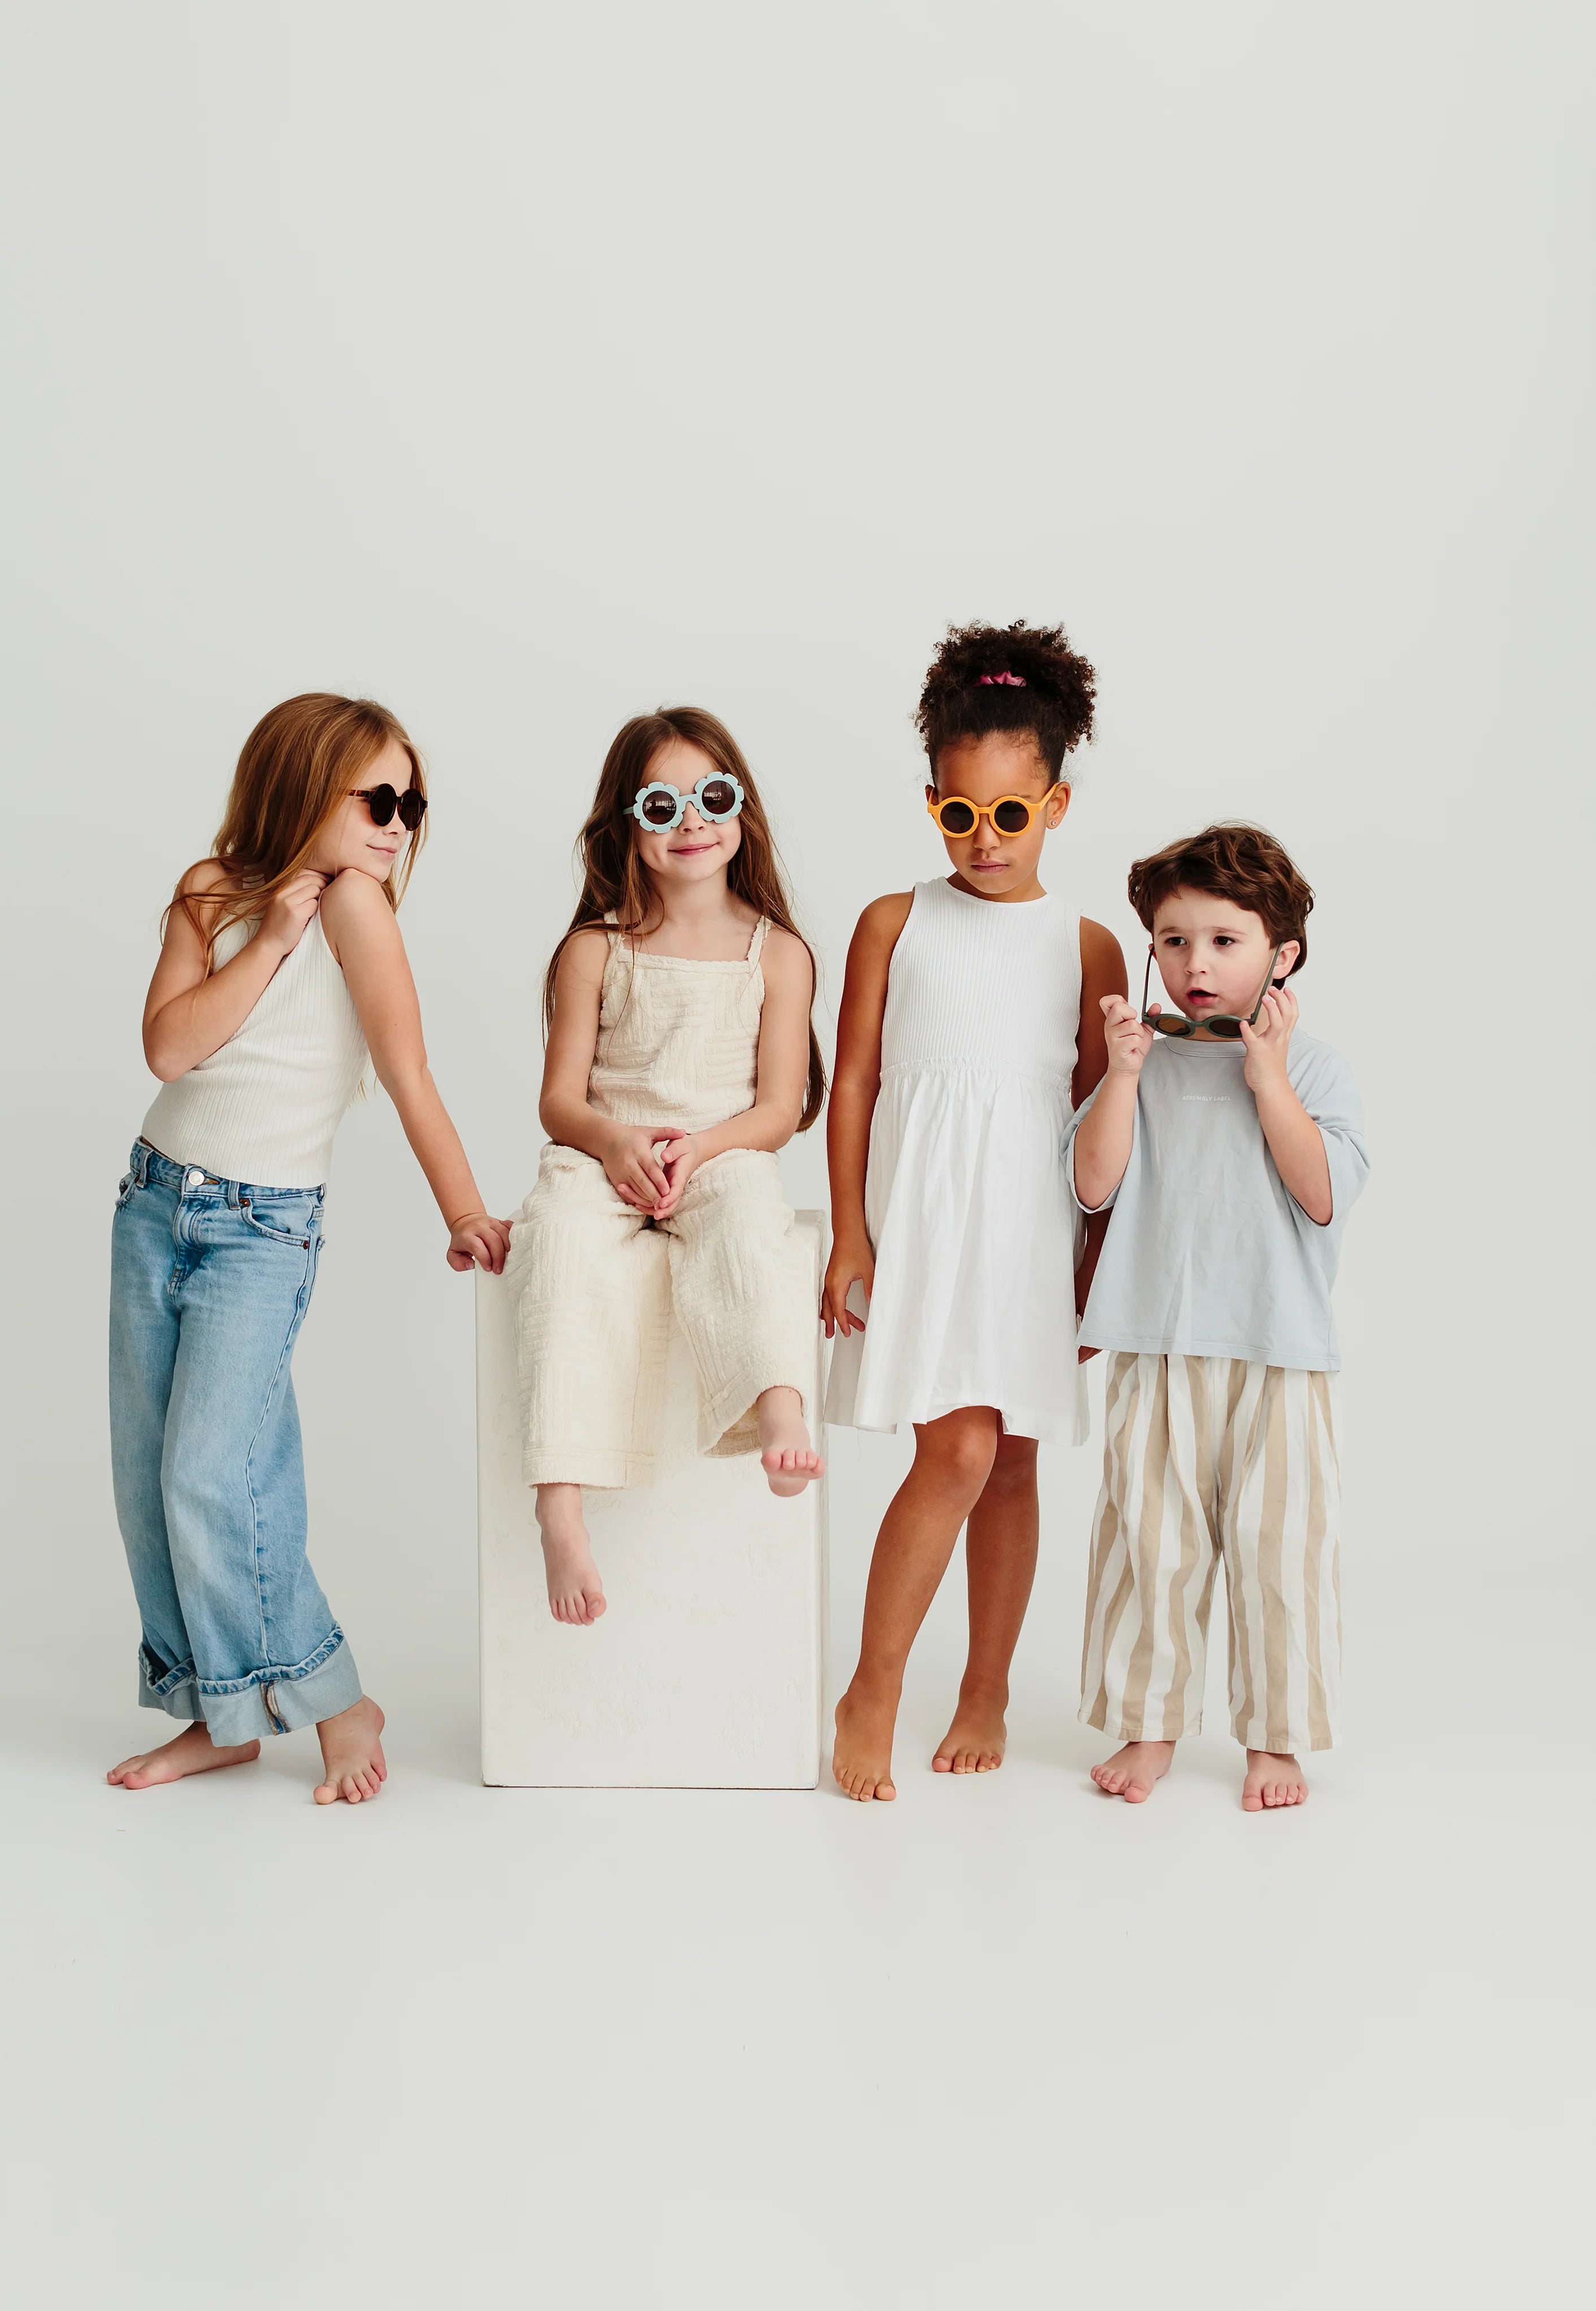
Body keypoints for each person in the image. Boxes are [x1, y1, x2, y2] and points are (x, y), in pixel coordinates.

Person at [106, 692, 508, 1802]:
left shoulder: (363, 913)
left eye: (412, 805)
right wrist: (272, 931)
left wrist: (465, 1211)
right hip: (154, 1205)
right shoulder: (213, 892)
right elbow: (171, 1049)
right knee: (157, 1479)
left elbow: (409, 1071)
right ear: (301, 788)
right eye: (379, 798)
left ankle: (334, 1695)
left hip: (262, 1232)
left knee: (212, 1472)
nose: (398, 823)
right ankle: (219, 1713)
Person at [823, 622, 1126, 1802]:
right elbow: (855, 1083)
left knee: (1011, 1465)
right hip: (930, 1225)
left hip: (1032, 1232)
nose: (986, 841)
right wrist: (850, 1230)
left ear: (1055, 803)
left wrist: (1102, 1268)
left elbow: (1106, 1124)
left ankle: (986, 1686)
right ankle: (875, 1686)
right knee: (952, 1449)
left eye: (1013, 816)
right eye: (962, 815)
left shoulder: (1087, 943)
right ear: (935, 802)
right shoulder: (894, 925)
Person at [1069, 823, 1368, 1812]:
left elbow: (1322, 1195)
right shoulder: (1140, 1061)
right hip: (1157, 1341)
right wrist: (1118, 1075)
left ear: (1282, 956)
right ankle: (1149, 1722)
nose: (1195, 963)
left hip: (1277, 1348)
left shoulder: (1316, 1070)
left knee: (1280, 1547)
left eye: (1225, 942)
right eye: (1172, 939)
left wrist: (1269, 1080)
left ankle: (1275, 1736)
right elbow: (1092, 1183)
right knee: (1149, 1540)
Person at [505, 708, 824, 1626]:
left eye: (712, 797)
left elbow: (777, 1110)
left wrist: (700, 1149)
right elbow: (559, 1098)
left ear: (742, 814)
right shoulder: (595, 949)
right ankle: (560, 1506)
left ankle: (778, 1408)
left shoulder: (780, 953)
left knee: (751, 1226)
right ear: (630, 830)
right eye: (662, 805)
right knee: (558, 1248)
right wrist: (616, 1145)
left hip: (718, 1152)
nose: (692, 821)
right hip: (603, 1156)